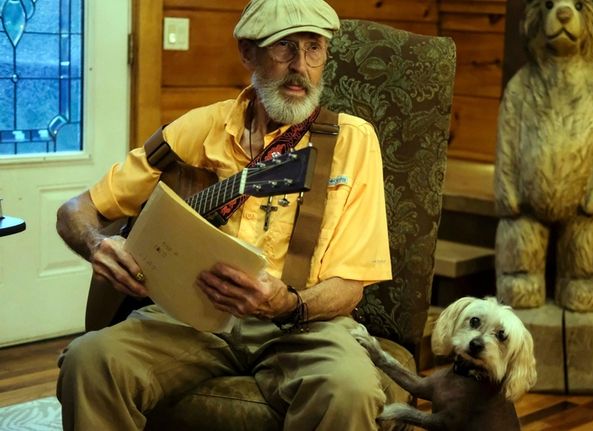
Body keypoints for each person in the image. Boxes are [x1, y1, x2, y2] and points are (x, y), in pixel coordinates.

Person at [55, 0, 392, 429]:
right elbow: (76, 210)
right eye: (284, 47)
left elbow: (350, 287)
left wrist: (287, 303)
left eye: (314, 49)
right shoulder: (199, 129)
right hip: (191, 318)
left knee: (349, 387)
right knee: (90, 360)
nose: (301, 67)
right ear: (249, 53)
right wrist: (97, 243)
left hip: (305, 325)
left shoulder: (352, 141)